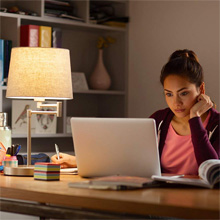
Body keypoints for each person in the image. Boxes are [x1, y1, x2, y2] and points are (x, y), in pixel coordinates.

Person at [51, 49, 219, 175]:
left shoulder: (216, 125)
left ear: (201, 88)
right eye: (169, 94)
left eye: (183, 93)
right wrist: (77, 161)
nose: (176, 102)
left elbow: (212, 171)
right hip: (160, 199)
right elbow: (127, 159)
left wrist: (195, 118)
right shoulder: (159, 120)